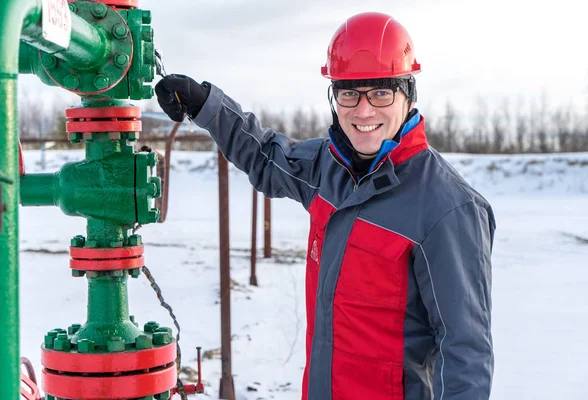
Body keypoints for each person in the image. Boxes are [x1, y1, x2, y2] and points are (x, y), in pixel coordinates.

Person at [156, 11, 495, 400]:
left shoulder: (447, 208)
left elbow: (466, 352)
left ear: (409, 93)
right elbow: (266, 155)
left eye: (381, 92)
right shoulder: (325, 168)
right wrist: (205, 106)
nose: (363, 111)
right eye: (348, 92)